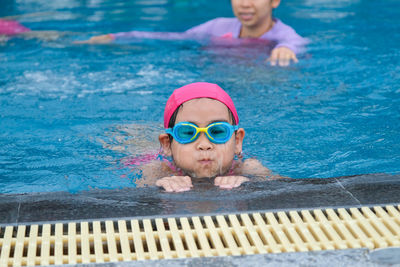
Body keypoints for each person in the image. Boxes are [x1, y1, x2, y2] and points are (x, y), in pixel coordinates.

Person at [134, 82, 281, 192]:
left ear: (237, 141)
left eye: (217, 131)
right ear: (167, 144)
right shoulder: (157, 169)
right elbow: (140, 199)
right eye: (187, 132)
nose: (204, 144)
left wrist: (250, 184)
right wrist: (160, 185)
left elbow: (284, 191)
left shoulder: (247, 167)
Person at [77, 0, 309, 66]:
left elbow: (293, 42)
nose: (245, 4)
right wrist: (118, 38)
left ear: (274, 1)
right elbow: (174, 39)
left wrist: (285, 50)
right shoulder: (218, 26)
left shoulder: (282, 37)